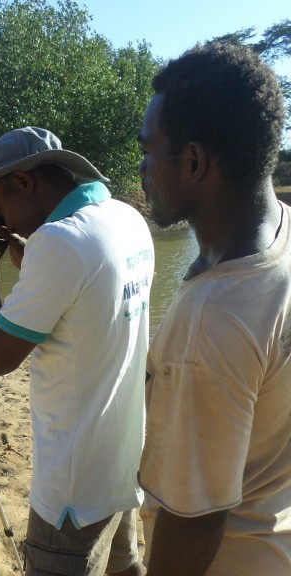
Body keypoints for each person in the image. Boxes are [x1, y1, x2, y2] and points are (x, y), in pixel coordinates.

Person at [0, 126, 154, 575]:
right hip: (121, 461)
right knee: (125, 567)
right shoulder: (124, 217)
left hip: (72, 493)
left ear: (23, 181)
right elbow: (87, 302)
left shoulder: (59, 242)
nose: (6, 224)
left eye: (1, 208)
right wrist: (34, 259)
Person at [137, 43, 291, 575]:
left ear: (195, 161)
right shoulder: (283, 234)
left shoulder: (211, 319)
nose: (142, 167)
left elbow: (193, 517)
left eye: (149, 149)